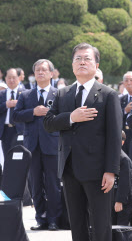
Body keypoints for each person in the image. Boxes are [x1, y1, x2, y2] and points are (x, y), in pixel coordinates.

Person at [43, 43, 123, 241]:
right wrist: (72, 117)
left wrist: (111, 171)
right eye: (77, 59)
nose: (82, 62)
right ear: (72, 65)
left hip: (98, 171)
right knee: (76, 223)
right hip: (69, 169)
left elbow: (114, 136)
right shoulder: (61, 94)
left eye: (87, 58)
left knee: (100, 223)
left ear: (96, 65)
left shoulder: (108, 95)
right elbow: (48, 123)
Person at [13, 59, 62, 231]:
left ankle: (54, 219)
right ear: (34, 75)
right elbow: (16, 116)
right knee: (35, 184)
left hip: (52, 144)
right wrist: (32, 112)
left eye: (44, 70)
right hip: (32, 146)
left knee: (53, 184)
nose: (40, 72)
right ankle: (41, 218)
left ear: (51, 73)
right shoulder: (26, 95)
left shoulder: (59, 94)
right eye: (37, 70)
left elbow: (65, 118)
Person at [113, 131, 132, 225]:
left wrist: (120, 201)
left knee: (121, 226)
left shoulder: (124, 159)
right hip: (115, 198)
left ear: (122, 142)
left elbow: (125, 182)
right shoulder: (112, 157)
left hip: (125, 201)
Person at [0, 68, 25, 158]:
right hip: (5, 130)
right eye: (9, 78)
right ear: (5, 79)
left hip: (20, 130)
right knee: (7, 156)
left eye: (14, 77)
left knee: (20, 157)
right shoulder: (1, 94)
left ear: (19, 78)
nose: (11, 80)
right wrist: (6, 105)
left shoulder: (25, 94)